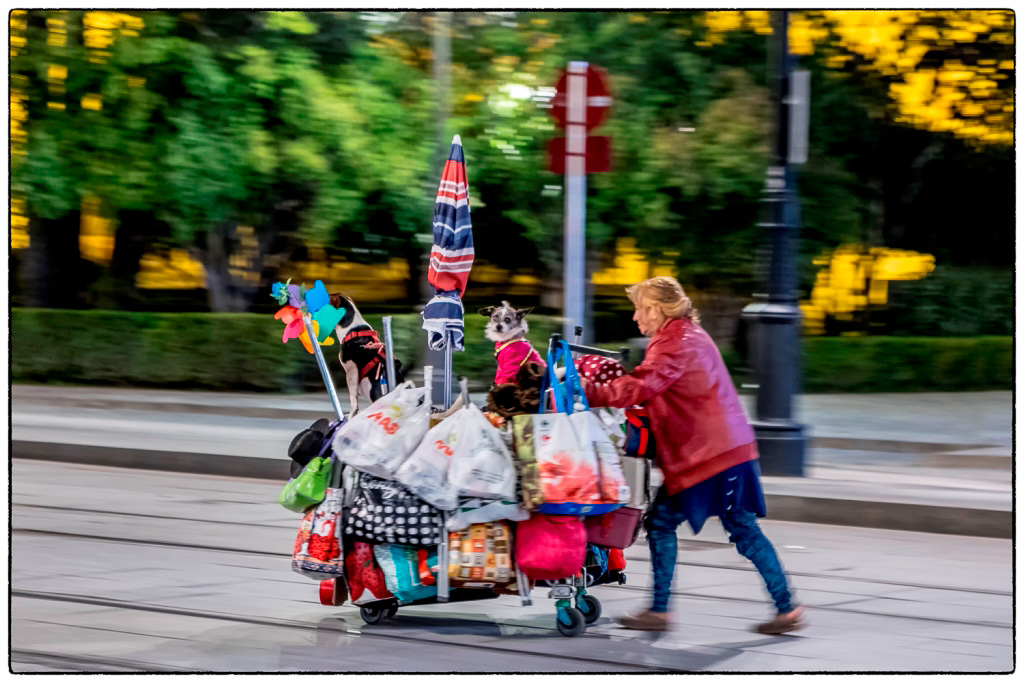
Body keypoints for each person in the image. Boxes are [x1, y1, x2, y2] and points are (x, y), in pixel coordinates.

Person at [583, 276, 805, 634]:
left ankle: (783, 607)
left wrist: (587, 391)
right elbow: (653, 386)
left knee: (728, 527)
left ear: (657, 308)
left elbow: (644, 384)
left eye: (640, 309)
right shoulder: (684, 334)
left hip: (711, 455)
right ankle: (783, 608)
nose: (637, 317)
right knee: (690, 524)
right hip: (718, 451)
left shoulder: (675, 341)